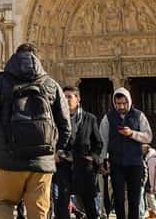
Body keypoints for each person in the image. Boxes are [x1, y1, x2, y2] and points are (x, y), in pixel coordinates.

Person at [0, 42, 71, 219]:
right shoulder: (51, 84)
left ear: (15, 56)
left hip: (8, 158)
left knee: (3, 203)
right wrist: (52, 149)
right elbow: (66, 124)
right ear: (37, 58)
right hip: (42, 161)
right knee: (38, 211)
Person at [98, 88, 153, 219]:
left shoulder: (139, 115)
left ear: (129, 101)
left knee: (134, 198)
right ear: (114, 103)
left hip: (135, 163)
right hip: (116, 163)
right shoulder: (108, 118)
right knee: (118, 197)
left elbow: (148, 137)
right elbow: (103, 141)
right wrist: (101, 161)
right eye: (118, 104)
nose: (121, 106)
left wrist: (132, 133)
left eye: (124, 103)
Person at [55, 86, 103, 219]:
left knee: (89, 204)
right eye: (64, 97)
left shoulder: (89, 119)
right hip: (63, 165)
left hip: (83, 167)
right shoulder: (57, 119)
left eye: (69, 96)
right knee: (62, 201)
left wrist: (92, 158)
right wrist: (54, 154)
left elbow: (98, 143)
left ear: (78, 99)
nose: (66, 99)